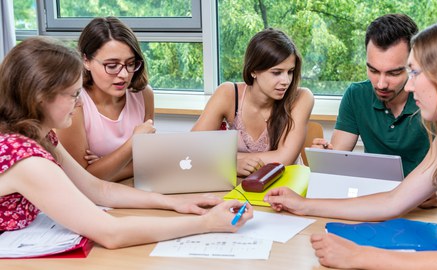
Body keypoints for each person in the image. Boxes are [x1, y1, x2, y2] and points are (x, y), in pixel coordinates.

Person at [265, 14, 437, 269]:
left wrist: (357, 256)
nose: (409, 87)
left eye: (413, 73)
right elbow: (394, 201)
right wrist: (303, 205)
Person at [0, 36, 252, 248]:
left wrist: (174, 202)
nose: (79, 103)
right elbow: (110, 233)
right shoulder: (25, 158)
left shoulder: (41, 136)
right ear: (41, 97)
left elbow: (99, 190)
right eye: (73, 94)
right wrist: (207, 223)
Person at [312, 14, 437, 207]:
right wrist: (328, 157)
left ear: (413, 63)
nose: (381, 83)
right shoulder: (356, 95)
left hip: (424, 207)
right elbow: (339, 157)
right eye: (373, 70)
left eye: (394, 73)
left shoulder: (433, 102)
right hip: (376, 201)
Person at [192, 28, 314, 177]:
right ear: (253, 70)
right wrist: (230, 164)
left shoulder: (302, 97)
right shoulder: (228, 93)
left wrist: (227, 161)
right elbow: (193, 148)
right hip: (241, 186)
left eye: (290, 71)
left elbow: (284, 159)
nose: (286, 81)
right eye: (276, 72)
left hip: (286, 186)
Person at [56, 17, 155, 182]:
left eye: (130, 64)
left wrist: (104, 166)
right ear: (86, 60)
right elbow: (82, 178)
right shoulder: (75, 104)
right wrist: (132, 143)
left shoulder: (144, 95)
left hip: (129, 187)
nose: (123, 75)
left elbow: (148, 162)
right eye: (111, 65)